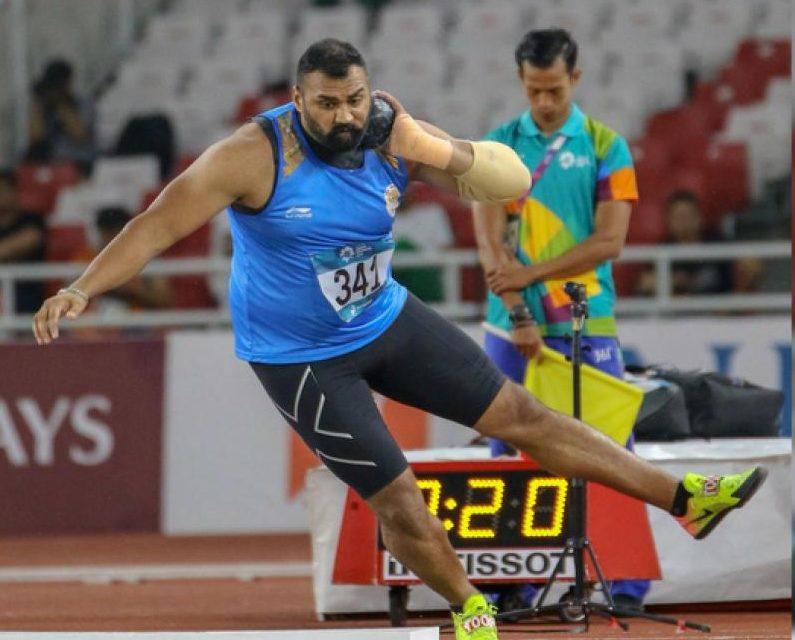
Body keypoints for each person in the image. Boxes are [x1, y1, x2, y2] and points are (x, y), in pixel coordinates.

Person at [31, 39, 766, 640]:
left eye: (353, 99)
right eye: (325, 104)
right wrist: (81, 288)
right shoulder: (252, 155)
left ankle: (684, 499)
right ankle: (469, 606)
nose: (344, 115)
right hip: (302, 359)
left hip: (384, 317)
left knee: (525, 419)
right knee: (399, 499)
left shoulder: (388, 131)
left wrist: (434, 150)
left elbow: (507, 182)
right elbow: (157, 223)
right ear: (298, 100)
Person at [473, 28, 649, 613]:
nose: (544, 102)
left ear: (575, 77)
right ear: (521, 82)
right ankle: (510, 586)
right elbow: (489, 241)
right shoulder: (497, 145)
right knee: (507, 447)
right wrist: (520, 309)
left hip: (586, 317)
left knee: (610, 448)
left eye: (553, 89)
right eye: (533, 91)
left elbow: (610, 241)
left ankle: (624, 586)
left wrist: (532, 274)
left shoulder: (606, 145)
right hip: (509, 324)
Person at [26, 59, 94, 168]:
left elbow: (80, 135)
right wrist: (39, 107)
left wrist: (61, 104)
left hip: (79, 160)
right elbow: (35, 139)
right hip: (50, 161)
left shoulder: (84, 104)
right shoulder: (45, 107)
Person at [0, 170, 46, 315]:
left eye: (2, 190)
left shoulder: (31, 219)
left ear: (14, 191)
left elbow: (29, 240)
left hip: (26, 297)